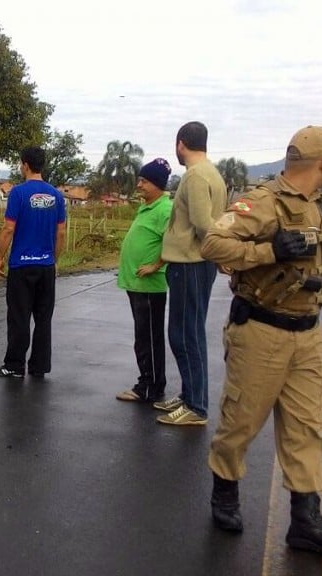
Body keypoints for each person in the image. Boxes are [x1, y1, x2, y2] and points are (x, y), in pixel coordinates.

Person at [201, 126, 322, 556]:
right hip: (261, 332)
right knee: (240, 422)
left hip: (307, 334)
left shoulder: (315, 207)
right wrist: (268, 251)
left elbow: (310, 261)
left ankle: (305, 519)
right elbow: (212, 243)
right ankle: (225, 494)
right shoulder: (261, 201)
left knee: (306, 427)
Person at [154, 121, 228, 426]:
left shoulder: (196, 176)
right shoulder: (211, 173)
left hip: (191, 264)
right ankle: (188, 396)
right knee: (184, 333)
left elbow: (202, 224)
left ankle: (196, 406)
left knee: (187, 335)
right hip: (192, 264)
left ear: (180, 143)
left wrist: (222, 253)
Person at [0, 146, 67, 378]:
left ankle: (15, 366)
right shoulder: (56, 195)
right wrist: (53, 260)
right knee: (43, 319)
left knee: (19, 317)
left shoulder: (18, 193)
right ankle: (39, 367)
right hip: (45, 267)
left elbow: (8, 229)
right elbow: (61, 233)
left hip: (21, 266)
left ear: (25, 164)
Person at [115, 158, 173, 403]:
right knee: (143, 336)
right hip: (137, 284)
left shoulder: (165, 210)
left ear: (158, 184)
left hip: (150, 286)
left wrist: (155, 265)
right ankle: (149, 382)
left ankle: (149, 386)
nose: (139, 185)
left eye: (144, 181)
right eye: (140, 180)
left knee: (148, 337)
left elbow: (173, 243)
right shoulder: (148, 206)